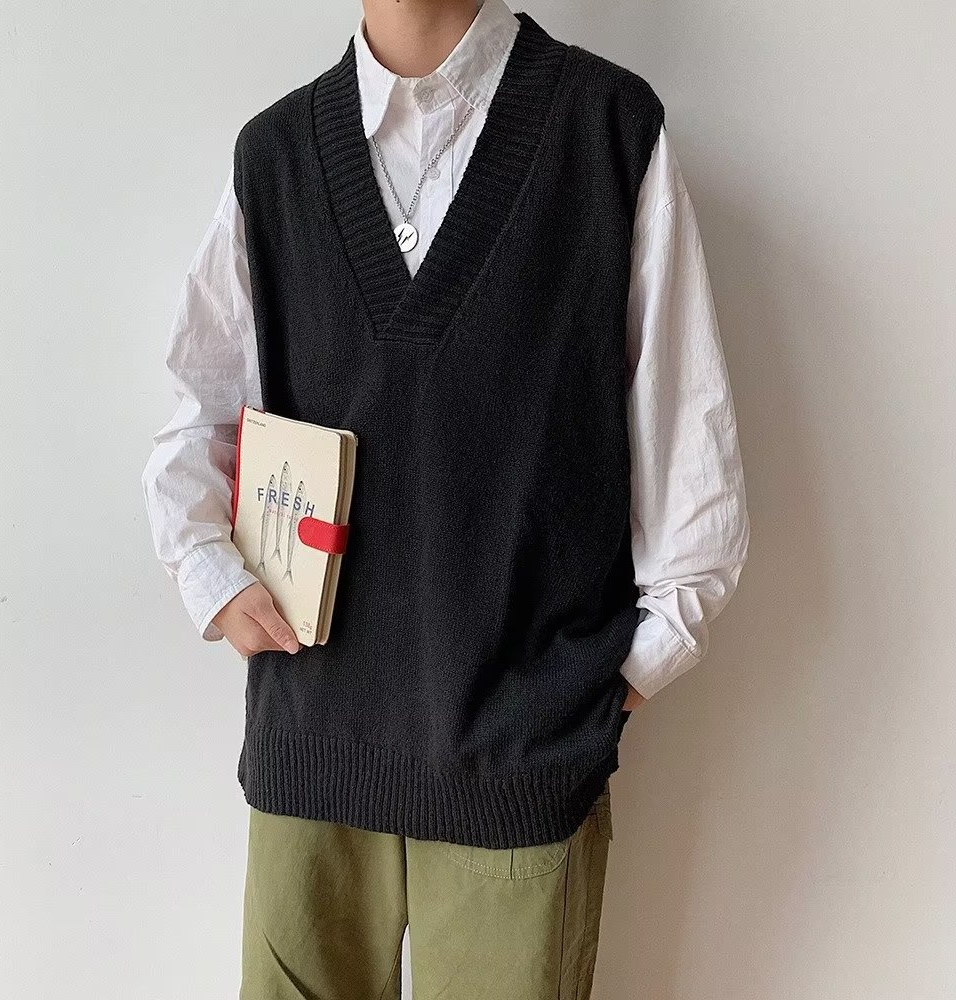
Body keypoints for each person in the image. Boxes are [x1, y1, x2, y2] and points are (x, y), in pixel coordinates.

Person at [140, 0, 750, 996]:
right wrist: (211, 575)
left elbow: (692, 453)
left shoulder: (606, 129)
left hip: (522, 759)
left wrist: (590, 696)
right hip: (311, 742)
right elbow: (199, 414)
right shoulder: (277, 156)